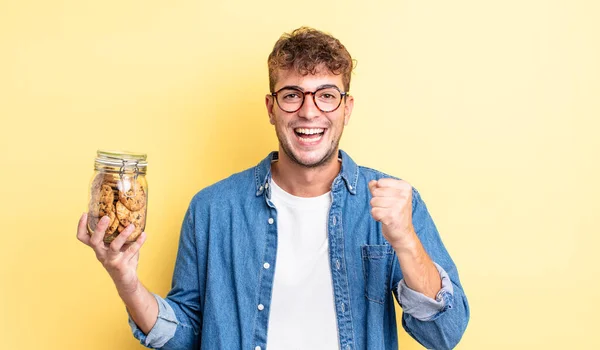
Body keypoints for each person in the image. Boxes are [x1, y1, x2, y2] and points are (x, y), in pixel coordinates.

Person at [77, 26, 469, 350]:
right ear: (271, 107)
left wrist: (405, 241)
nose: (309, 110)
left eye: (327, 95)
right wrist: (126, 282)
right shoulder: (213, 210)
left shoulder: (395, 204)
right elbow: (185, 336)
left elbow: (444, 333)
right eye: (292, 94)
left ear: (346, 108)